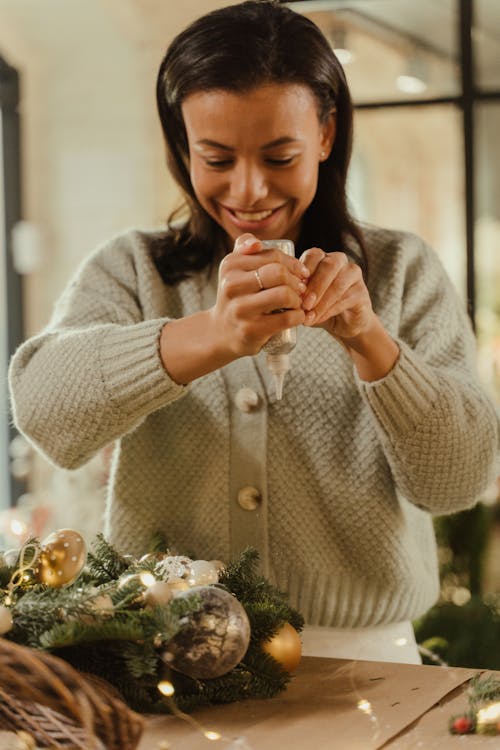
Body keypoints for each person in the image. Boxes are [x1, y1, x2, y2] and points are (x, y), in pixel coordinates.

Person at [8, 0, 499, 664]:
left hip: (367, 668)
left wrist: (371, 344)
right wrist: (208, 336)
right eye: (216, 158)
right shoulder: (134, 268)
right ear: (183, 146)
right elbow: (45, 411)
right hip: (161, 660)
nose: (249, 190)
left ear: (325, 134)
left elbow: (456, 483)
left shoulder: (402, 270)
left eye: (278, 155)